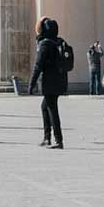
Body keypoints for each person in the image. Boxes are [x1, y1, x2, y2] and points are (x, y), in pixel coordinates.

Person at [28, 17, 68, 149]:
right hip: (59, 80)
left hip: (50, 82)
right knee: (45, 107)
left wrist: (31, 83)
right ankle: (47, 137)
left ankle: (58, 140)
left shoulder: (45, 44)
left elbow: (38, 66)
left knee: (52, 109)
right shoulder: (57, 42)